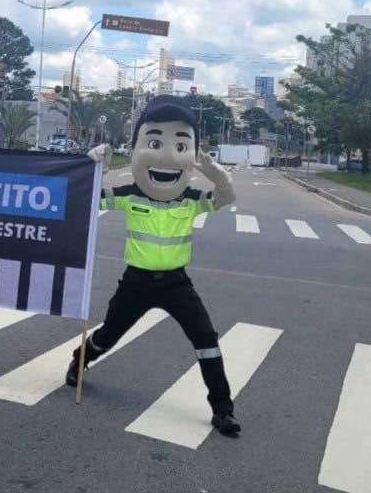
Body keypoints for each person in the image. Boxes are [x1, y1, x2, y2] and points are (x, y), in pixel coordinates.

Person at [66, 94, 242, 436]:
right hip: (136, 283)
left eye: (179, 144)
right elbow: (90, 200)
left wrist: (220, 178)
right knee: (108, 336)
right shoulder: (131, 195)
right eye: (156, 141)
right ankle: (80, 360)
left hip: (177, 284)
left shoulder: (191, 201)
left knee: (206, 339)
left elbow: (225, 199)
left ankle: (223, 410)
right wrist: (94, 167)